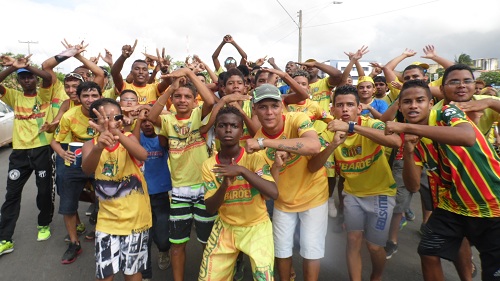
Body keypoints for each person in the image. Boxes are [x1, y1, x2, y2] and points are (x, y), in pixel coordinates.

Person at [385, 72, 500, 281]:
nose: (413, 106)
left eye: (419, 100)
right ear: (400, 107)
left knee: (493, 272)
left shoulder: (447, 112)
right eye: (407, 102)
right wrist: (409, 151)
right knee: (428, 252)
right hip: (452, 207)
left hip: (492, 204)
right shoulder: (414, 138)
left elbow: (466, 137)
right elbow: (412, 186)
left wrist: (405, 126)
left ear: (431, 103)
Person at [308, 84, 401, 281]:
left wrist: (352, 127)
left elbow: (395, 142)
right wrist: (333, 144)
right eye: (339, 105)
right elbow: (312, 166)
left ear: (359, 108)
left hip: (381, 193)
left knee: (375, 246)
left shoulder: (370, 124)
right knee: (352, 240)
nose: (344, 109)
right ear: (332, 109)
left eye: (350, 104)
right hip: (352, 195)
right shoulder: (328, 132)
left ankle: (376, 276)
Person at [245, 84, 326, 281]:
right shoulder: (256, 140)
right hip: (283, 201)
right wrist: (277, 166)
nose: (269, 112)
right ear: (254, 109)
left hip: (313, 195)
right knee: (281, 249)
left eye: (274, 105)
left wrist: (266, 143)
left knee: (311, 248)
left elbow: (314, 146)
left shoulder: (297, 118)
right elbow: (269, 186)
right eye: (263, 107)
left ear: (282, 105)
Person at [147, 67, 216, 281]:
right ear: (172, 100)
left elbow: (211, 102)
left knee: (207, 243)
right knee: (177, 245)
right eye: (178, 96)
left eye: (188, 96)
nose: (183, 100)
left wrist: (190, 74)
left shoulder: (198, 114)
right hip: (179, 191)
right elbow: (150, 116)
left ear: (195, 101)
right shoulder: (167, 121)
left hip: (205, 187)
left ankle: (209, 277)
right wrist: (170, 87)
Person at [198, 106, 279, 281]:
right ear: (216, 130)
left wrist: (241, 170)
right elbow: (210, 209)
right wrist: (224, 186)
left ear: (241, 131)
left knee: (263, 277)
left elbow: (273, 192)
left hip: (257, 226)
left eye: (234, 126)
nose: (228, 130)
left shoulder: (254, 158)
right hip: (226, 226)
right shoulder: (209, 165)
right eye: (222, 125)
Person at [81, 98, 151, 281]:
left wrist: (117, 135)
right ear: (95, 122)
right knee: (106, 272)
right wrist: (99, 147)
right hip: (107, 220)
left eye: (116, 116)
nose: (112, 121)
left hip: (136, 219)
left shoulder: (128, 138)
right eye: (106, 117)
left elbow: (143, 155)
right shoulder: (91, 145)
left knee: (132, 270)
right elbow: (87, 169)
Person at [0, 56, 54, 255]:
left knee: (43, 191)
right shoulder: (13, 97)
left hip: (42, 150)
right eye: (23, 78)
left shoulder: (45, 95)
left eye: (30, 77)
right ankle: (5, 238)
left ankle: (44, 225)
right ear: (19, 81)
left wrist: (28, 66)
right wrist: (12, 67)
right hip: (20, 153)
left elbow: (48, 77)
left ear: (35, 80)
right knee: (11, 195)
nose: (27, 80)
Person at [52, 81, 102, 264]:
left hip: (100, 161)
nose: (90, 100)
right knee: (68, 202)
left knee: (106, 197)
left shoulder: (105, 113)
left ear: (100, 97)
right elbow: (54, 141)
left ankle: (101, 231)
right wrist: (62, 152)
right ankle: (74, 243)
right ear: (78, 98)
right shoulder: (69, 115)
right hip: (75, 162)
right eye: (85, 96)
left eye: (94, 95)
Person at [132, 107, 172, 280]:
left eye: (151, 120)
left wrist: (157, 114)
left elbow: (169, 126)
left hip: (162, 193)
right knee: (144, 238)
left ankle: (164, 251)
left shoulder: (162, 140)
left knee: (162, 235)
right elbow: (132, 140)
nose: (148, 124)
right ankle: (146, 272)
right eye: (144, 122)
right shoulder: (136, 140)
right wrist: (138, 120)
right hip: (140, 195)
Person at [111, 40, 171, 104]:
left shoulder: (154, 88)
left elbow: (169, 82)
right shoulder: (125, 86)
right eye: (137, 69)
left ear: (148, 74)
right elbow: (115, 73)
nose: (141, 72)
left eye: (144, 69)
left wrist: (165, 71)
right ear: (131, 72)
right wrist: (123, 57)